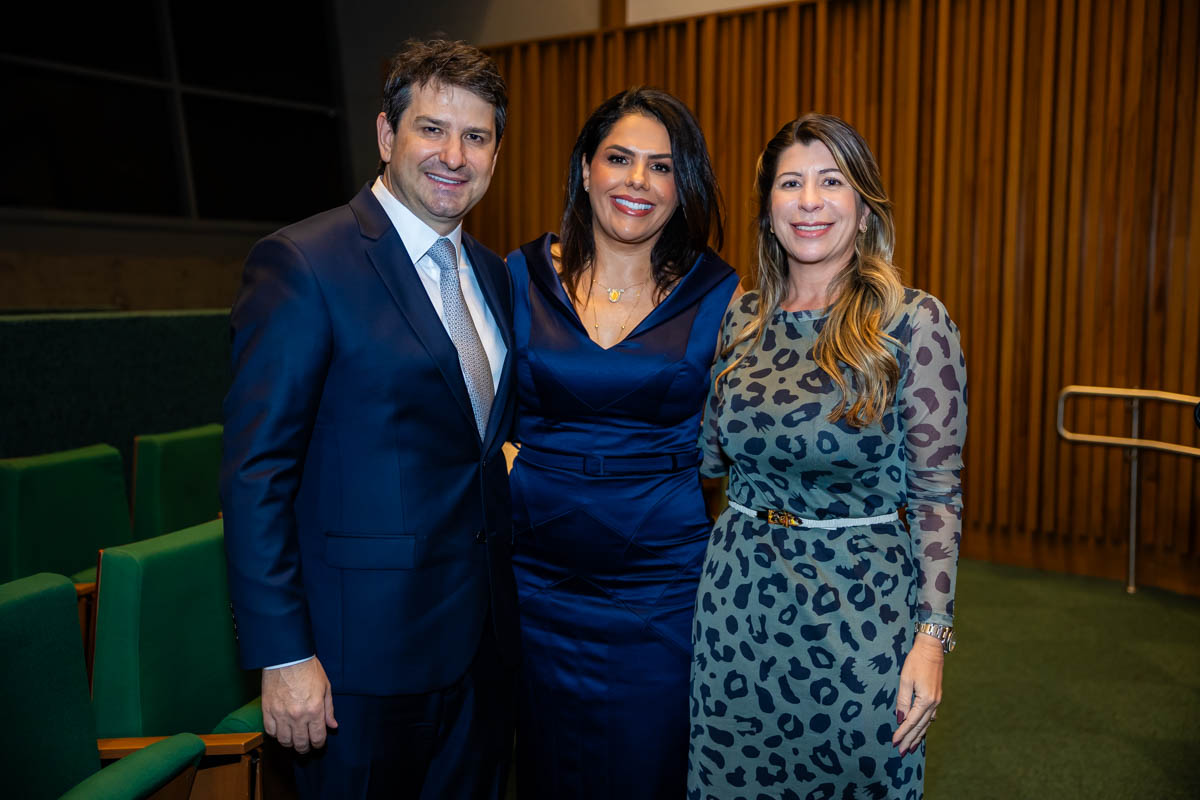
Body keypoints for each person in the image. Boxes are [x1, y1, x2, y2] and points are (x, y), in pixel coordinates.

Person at [220, 39, 519, 799]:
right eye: (431, 129)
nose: (454, 154)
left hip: (480, 655)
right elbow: (256, 475)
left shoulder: (491, 274)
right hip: (354, 671)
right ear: (388, 137)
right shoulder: (303, 263)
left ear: (494, 153)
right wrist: (283, 655)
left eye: (476, 136)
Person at [688, 113, 966, 799]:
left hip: (859, 618)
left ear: (864, 206)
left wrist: (931, 640)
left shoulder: (913, 323)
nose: (809, 201)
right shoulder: (743, 317)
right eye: (790, 183)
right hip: (735, 612)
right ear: (769, 209)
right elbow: (709, 459)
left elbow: (938, 495)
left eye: (830, 181)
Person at [504, 87, 740, 799]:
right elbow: (460, 405)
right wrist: (510, 465)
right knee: (544, 767)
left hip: (661, 585)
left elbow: (743, 434)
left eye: (662, 167)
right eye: (620, 159)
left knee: (651, 766)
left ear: (682, 184)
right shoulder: (515, 276)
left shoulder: (720, 293)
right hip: (534, 578)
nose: (638, 182)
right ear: (584, 168)